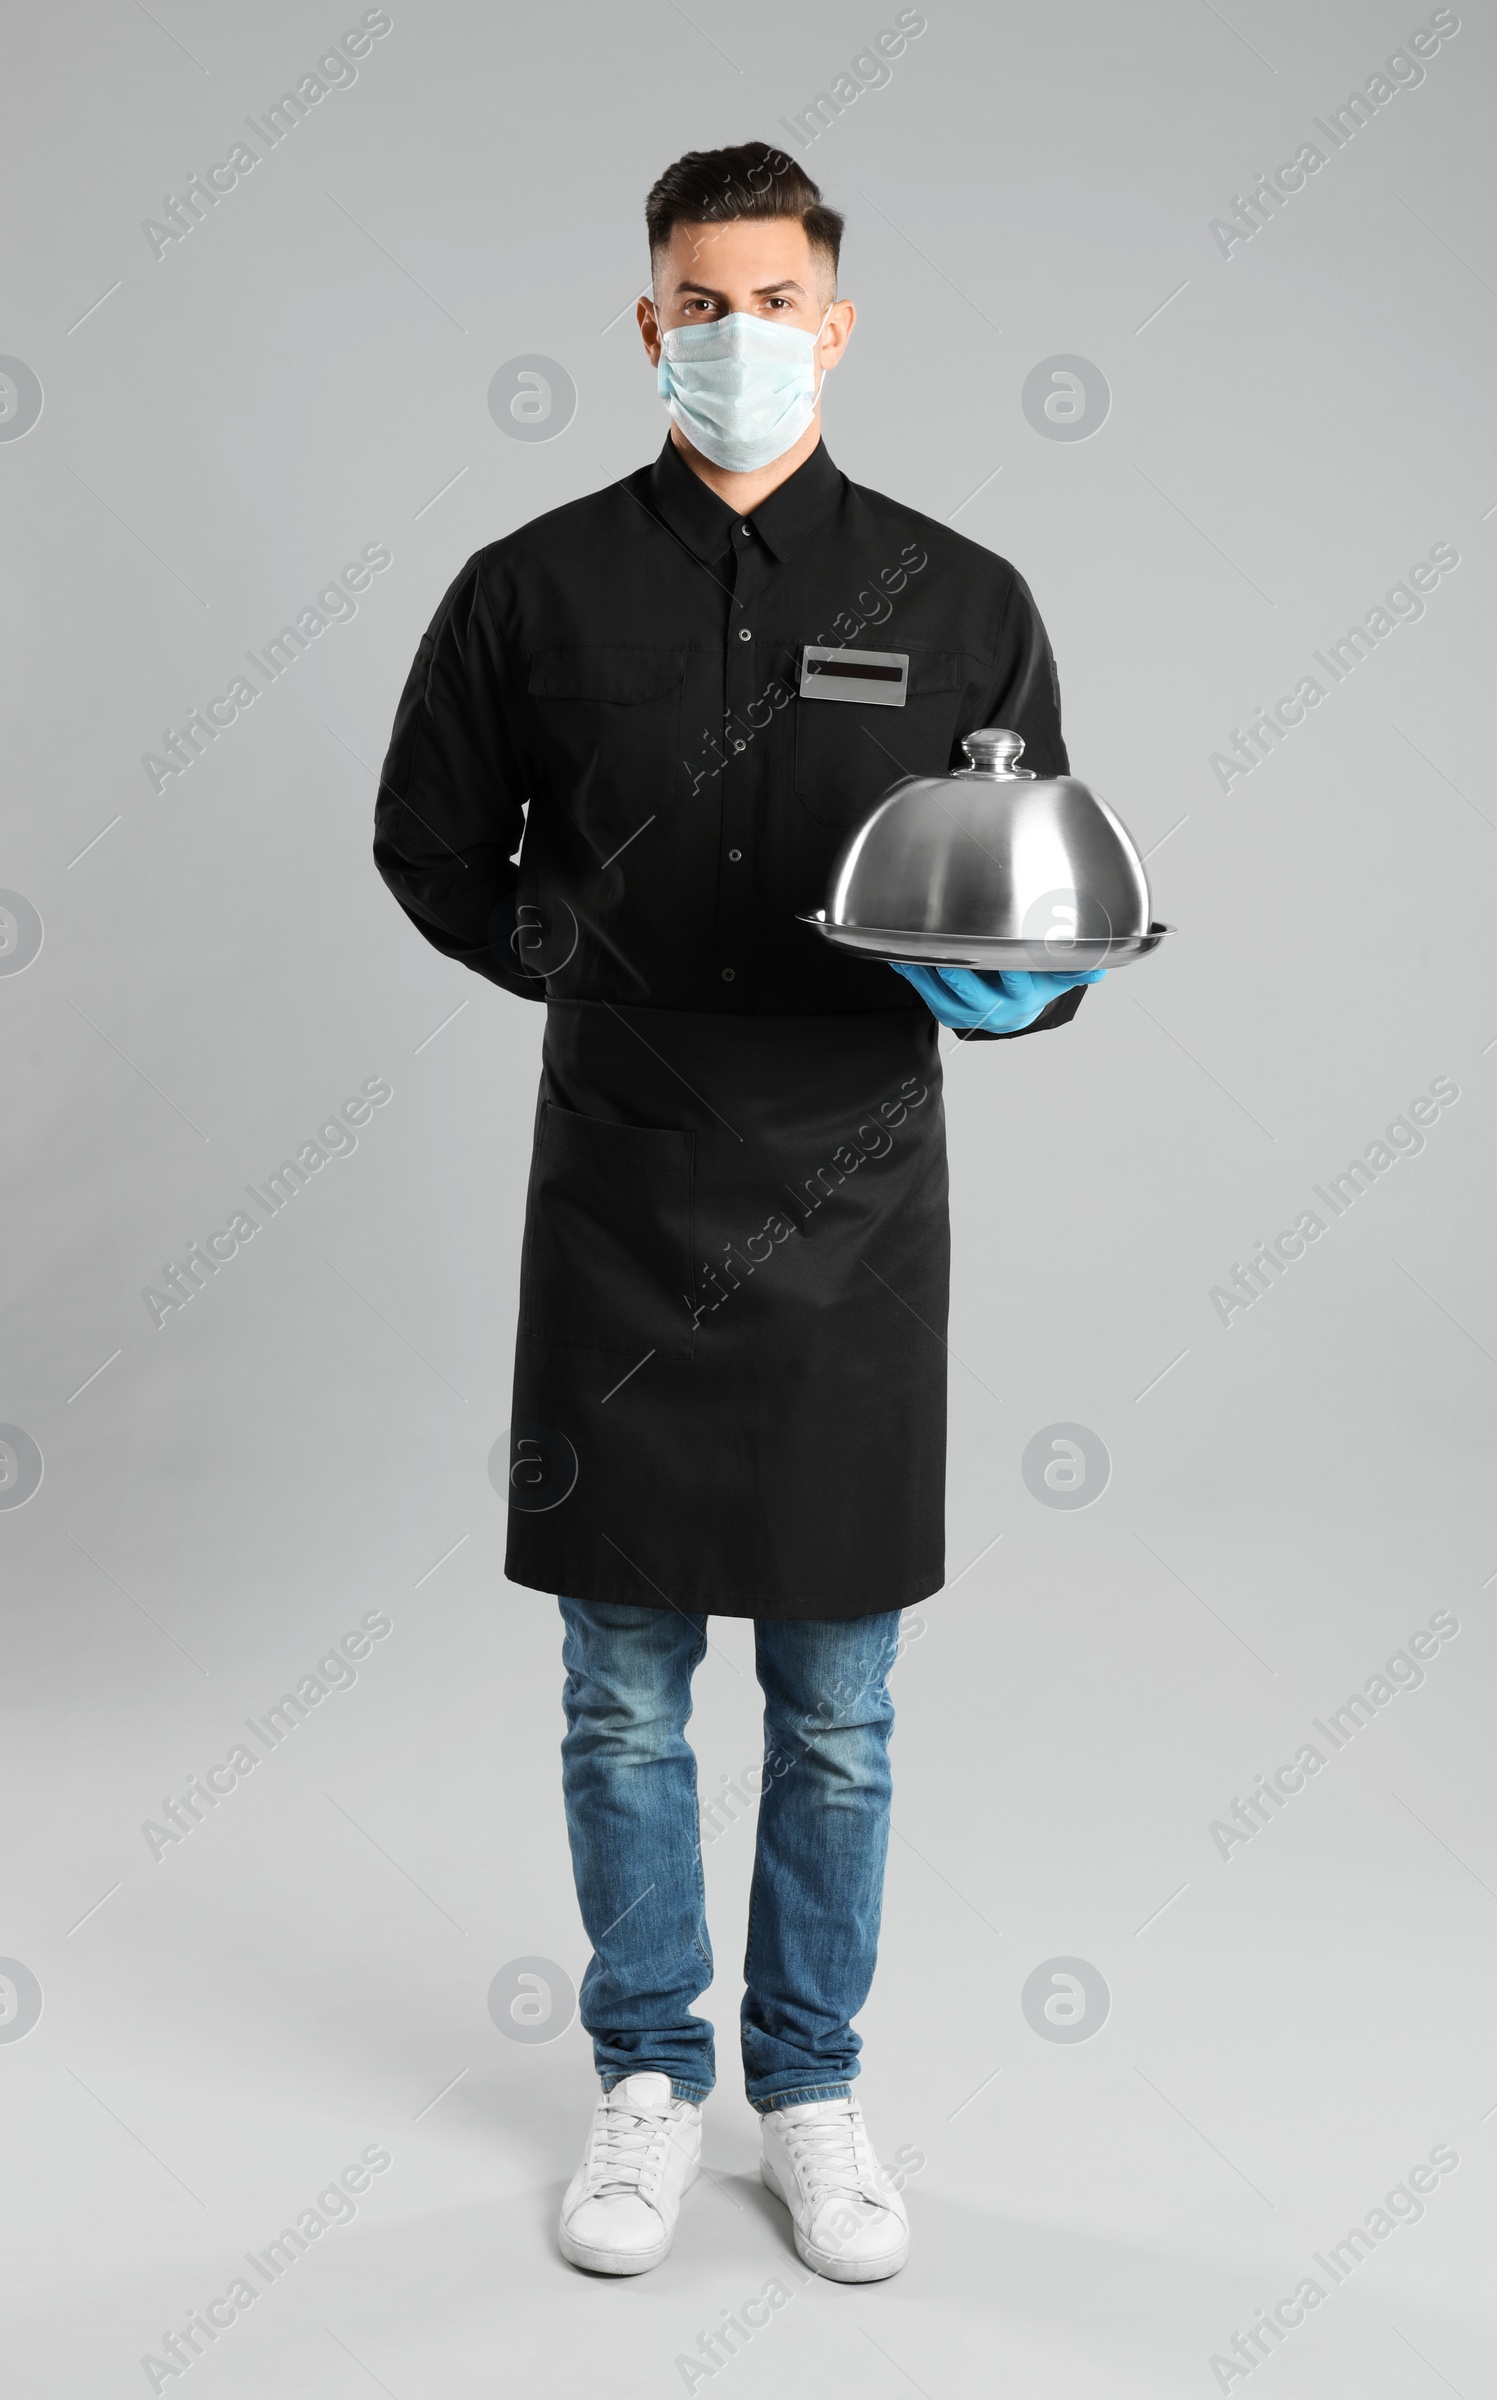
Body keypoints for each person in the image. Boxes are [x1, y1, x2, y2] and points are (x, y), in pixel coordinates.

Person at [373, 141, 1101, 2285]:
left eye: (771, 300)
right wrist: (562, 951)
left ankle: (807, 2093)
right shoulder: (529, 588)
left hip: (856, 1205)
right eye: (699, 303)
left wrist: (1019, 995)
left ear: (837, 319)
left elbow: (1028, 891)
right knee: (618, 1691)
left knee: (839, 1702)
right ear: (644, 324)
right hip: (616, 1191)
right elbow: (431, 843)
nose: (734, 337)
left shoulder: (961, 596)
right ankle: (640, 2083)